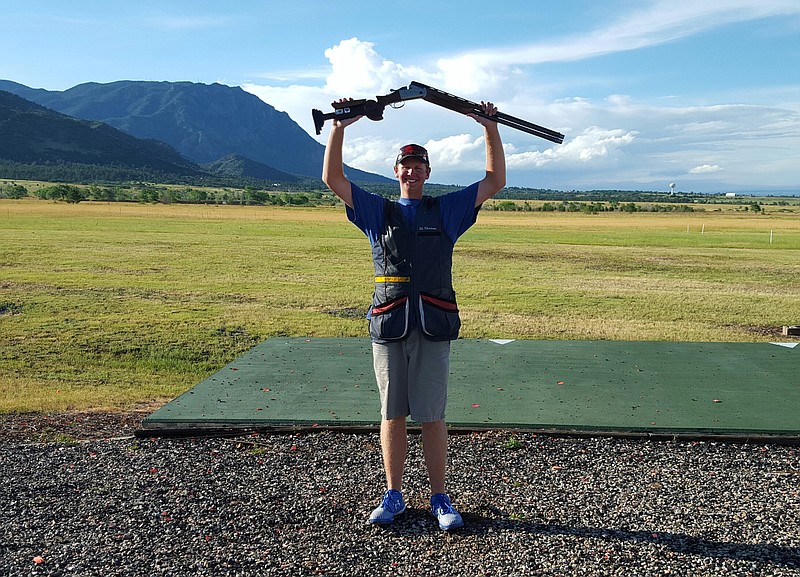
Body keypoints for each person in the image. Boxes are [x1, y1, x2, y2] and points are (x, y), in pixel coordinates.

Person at [322, 98, 506, 531]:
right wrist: (340, 127)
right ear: (396, 172)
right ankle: (394, 494)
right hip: (389, 322)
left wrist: (488, 125)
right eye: (405, 166)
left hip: (434, 323)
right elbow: (332, 177)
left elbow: (495, 180)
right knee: (392, 414)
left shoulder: (446, 210)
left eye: (418, 166)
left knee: (432, 415)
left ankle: (440, 497)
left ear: (427, 172)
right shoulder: (376, 211)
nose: (411, 172)